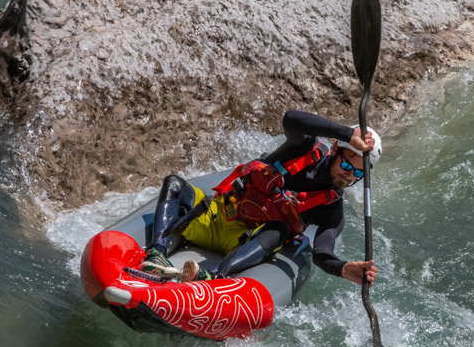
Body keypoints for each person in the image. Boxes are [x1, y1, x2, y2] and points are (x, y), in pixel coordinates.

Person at [139, 110, 381, 286]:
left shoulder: (331, 211)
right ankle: (155, 253)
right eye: (348, 164)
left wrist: (342, 268)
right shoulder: (303, 148)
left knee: (278, 230)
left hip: (242, 243)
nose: (349, 175)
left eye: (359, 173)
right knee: (174, 183)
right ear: (337, 150)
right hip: (216, 215)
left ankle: (210, 276)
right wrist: (347, 133)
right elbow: (291, 119)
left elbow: (322, 253)